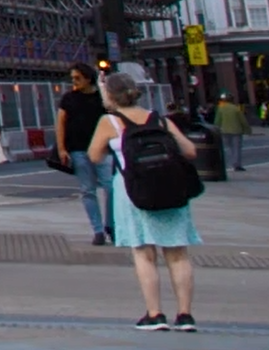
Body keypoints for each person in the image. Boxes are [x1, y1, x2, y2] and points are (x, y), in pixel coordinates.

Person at [89, 70, 201, 331]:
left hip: (133, 190)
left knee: (143, 252)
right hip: (171, 189)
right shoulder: (159, 120)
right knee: (177, 253)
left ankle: (155, 313)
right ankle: (185, 315)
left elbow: (94, 156)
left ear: (110, 95)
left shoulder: (111, 122)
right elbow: (190, 150)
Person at [59, 66, 114, 245]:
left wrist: (103, 87)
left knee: (111, 187)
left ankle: (111, 224)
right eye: (73, 78)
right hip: (78, 149)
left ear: (88, 79)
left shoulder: (100, 98)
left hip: (102, 148)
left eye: (78, 78)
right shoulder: (68, 98)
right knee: (87, 190)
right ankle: (98, 230)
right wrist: (61, 148)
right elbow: (60, 123)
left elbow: (112, 110)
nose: (74, 81)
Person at [213, 93, 250, 172]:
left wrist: (216, 129)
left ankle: (224, 164)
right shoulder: (236, 108)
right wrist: (247, 129)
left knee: (226, 148)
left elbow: (217, 121)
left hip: (224, 131)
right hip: (236, 131)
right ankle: (237, 165)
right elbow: (243, 120)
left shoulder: (221, 108)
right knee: (236, 149)